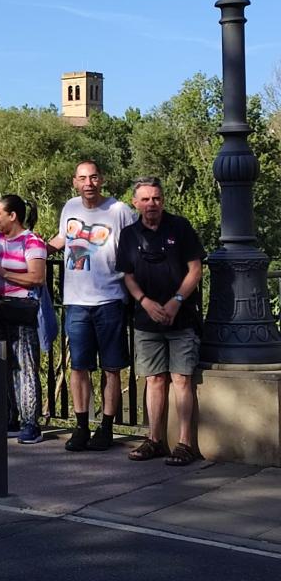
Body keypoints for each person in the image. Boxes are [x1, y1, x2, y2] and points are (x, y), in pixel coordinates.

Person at [48, 160, 136, 452]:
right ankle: (81, 425)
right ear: (75, 181)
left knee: (112, 368)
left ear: (102, 179)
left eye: (94, 177)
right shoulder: (70, 207)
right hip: (76, 301)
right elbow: (62, 239)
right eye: (83, 178)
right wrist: (32, 246)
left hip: (109, 298)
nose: (88, 183)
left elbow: (134, 245)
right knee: (79, 367)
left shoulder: (119, 210)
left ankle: (107, 427)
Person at [117, 177, 204, 467]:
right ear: (135, 202)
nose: (151, 204)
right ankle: (154, 439)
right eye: (145, 199)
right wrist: (144, 301)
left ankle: (185, 443)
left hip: (180, 316)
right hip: (146, 318)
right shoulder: (129, 234)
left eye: (155, 198)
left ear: (162, 200)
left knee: (181, 379)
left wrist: (175, 301)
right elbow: (127, 275)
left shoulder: (180, 227)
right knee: (154, 380)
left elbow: (195, 269)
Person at [0, 194, 48, 445]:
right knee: (3, 363)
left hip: (21, 309)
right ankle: (8, 416)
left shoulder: (32, 241)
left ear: (13, 216)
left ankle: (30, 421)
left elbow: (37, 277)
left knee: (25, 364)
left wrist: (5, 273)